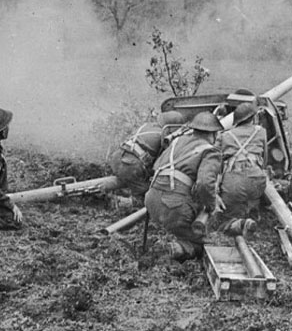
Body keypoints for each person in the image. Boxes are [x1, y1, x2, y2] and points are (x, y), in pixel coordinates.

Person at [144, 111, 223, 262]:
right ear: (213, 134)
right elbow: (205, 184)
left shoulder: (176, 142)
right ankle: (178, 248)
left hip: (151, 201)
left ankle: (174, 235)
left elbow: (156, 167)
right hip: (174, 206)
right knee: (202, 243)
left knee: (180, 221)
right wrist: (211, 205)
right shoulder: (210, 151)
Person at [212, 101, 268, 235]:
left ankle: (237, 223)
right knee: (250, 195)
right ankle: (252, 213)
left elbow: (215, 164)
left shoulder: (224, 135)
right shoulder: (261, 132)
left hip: (234, 184)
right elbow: (265, 160)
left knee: (224, 219)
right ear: (253, 117)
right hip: (257, 181)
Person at [109, 111, 185, 200]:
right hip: (129, 166)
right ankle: (124, 203)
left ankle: (119, 196)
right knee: (147, 193)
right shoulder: (162, 136)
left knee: (131, 182)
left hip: (117, 158)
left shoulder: (147, 126)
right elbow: (161, 165)